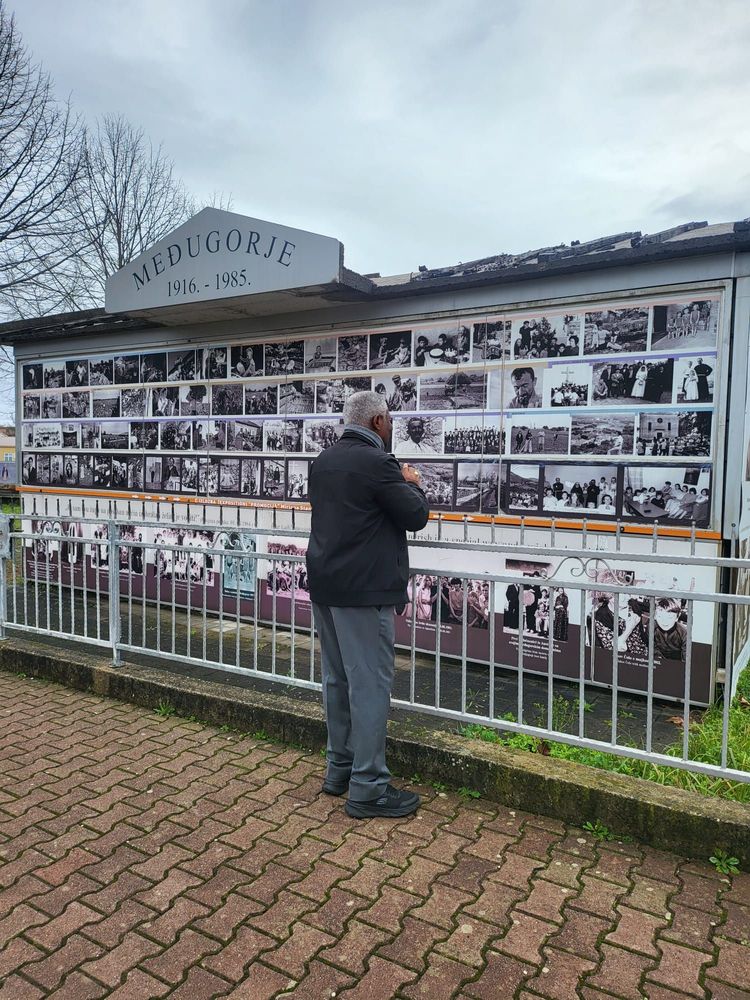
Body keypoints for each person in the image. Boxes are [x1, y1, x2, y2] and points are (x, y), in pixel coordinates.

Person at [306, 391, 429, 819]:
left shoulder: (323, 461)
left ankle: (339, 769)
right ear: (378, 421)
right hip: (364, 592)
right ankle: (369, 788)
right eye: (390, 420)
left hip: (326, 585)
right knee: (371, 686)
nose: (392, 426)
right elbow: (415, 516)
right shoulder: (380, 464)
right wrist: (412, 482)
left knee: (337, 681)